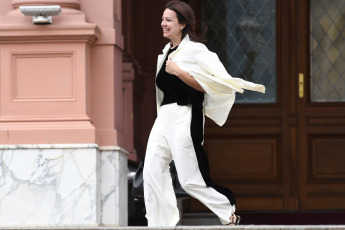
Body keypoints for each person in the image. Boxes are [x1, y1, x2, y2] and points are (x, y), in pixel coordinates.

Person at [143, 1, 265, 227]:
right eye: (162, 19)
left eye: (168, 20)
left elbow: (216, 84)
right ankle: (160, 224)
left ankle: (228, 212)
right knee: (151, 172)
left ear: (183, 24)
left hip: (186, 115)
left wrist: (180, 72)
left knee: (190, 179)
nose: (163, 23)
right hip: (164, 118)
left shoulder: (196, 51)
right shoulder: (166, 53)